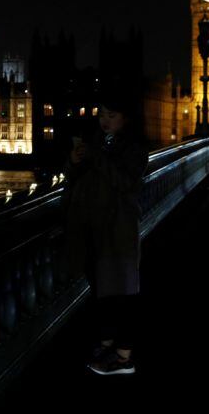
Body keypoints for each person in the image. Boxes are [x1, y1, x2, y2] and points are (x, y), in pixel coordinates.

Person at [61, 88, 149, 376]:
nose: (103, 120)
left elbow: (124, 182)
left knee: (122, 294)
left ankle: (124, 358)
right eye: (101, 114)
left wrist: (96, 156)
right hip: (92, 228)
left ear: (127, 118)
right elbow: (76, 178)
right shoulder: (98, 141)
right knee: (103, 292)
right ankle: (108, 343)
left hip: (118, 229)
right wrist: (74, 162)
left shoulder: (134, 147)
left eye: (111, 115)